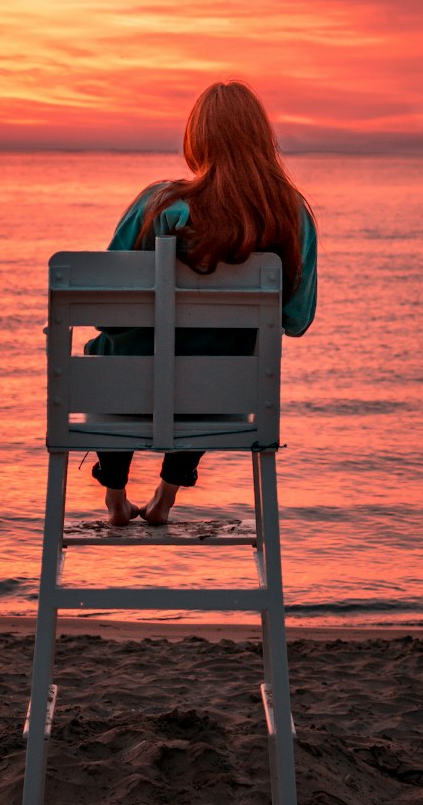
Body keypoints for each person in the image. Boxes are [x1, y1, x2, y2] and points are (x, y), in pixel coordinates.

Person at [86, 80, 317, 527]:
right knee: (214, 355)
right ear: (261, 139)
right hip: (222, 396)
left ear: (198, 137)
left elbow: (103, 308)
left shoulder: (161, 205)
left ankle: (115, 494)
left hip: (128, 388)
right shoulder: (291, 216)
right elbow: (296, 320)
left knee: (111, 354)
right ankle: (166, 495)